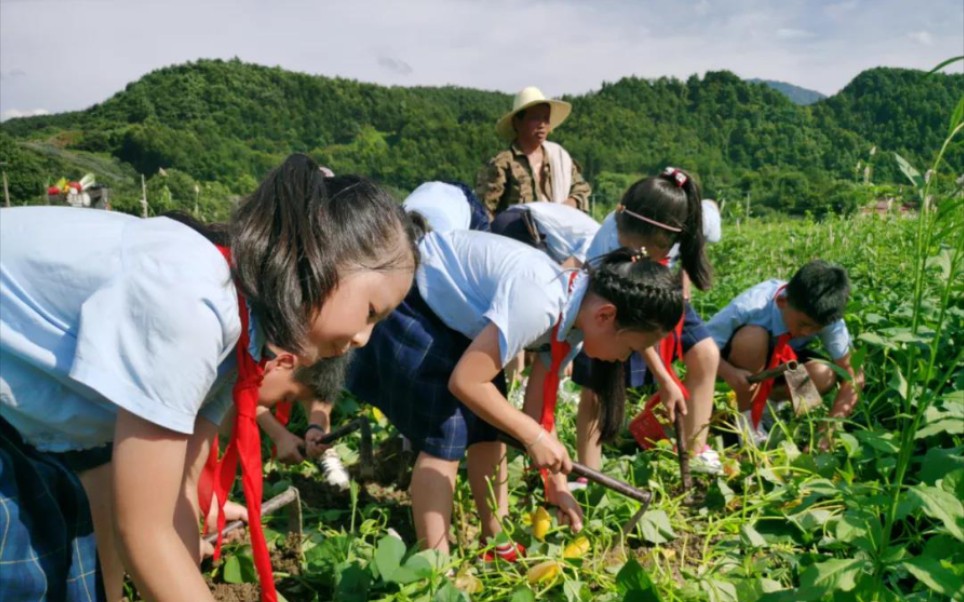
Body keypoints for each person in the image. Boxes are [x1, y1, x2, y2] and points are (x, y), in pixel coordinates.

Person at [0, 154, 419, 602]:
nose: (362, 338)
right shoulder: (193, 303)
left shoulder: (239, 336)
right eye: (371, 312)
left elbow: (177, 496)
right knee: (27, 574)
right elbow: (145, 531)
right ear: (319, 257)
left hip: (22, 421)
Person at [344, 225, 682, 560]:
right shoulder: (541, 302)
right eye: (629, 347)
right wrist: (533, 437)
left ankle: (495, 540)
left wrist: (557, 485)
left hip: (461, 322)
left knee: (491, 427)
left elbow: (537, 412)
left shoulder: (574, 324)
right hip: (418, 301)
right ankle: (435, 569)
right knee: (445, 434)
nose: (624, 359)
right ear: (606, 315)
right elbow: (465, 382)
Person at [572, 168, 722, 480]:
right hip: (614, 302)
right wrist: (664, 377)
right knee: (600, 385)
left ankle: (694, 450)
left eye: (646, 249)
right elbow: (633, 327)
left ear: (669, 237)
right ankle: (589, 473)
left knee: (706, 354)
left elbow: (678, 269)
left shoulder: (680, 222)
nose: (637, 251)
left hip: (657, 294)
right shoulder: (612, 239)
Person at [706, 259, 864, 447]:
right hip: (738, 369)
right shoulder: (752, 305)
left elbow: (854, 375)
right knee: (753, 338)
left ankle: (769, 408)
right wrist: (729, 373)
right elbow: (699, 347)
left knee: (824, 374)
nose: (807, 332)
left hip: (779, 368)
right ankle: (744, 417)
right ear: (782, 302)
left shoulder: (827, 317)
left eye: (816, 328)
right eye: (803, 325)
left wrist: (829, 429)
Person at [475, 86, 591, 217]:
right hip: (517, 234)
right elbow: (485, 210)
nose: (542, 125)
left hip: (557, 231)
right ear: (517, 122)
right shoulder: (503, 163)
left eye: (546, 118)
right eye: (535, 118)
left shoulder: (559, 158)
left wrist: (569, 204)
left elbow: (581, 189)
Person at [490, 201, 601, 269]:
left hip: (513, 219)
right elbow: (565, 272)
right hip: (521, 224)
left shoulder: (596, 231)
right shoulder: (597, 240)